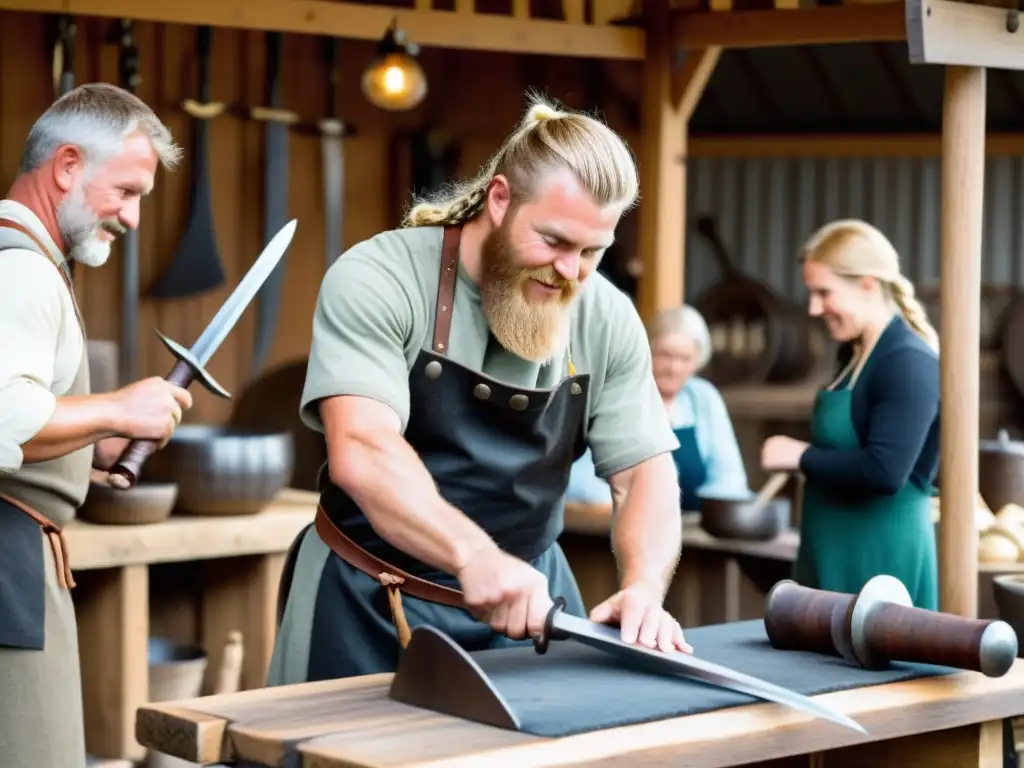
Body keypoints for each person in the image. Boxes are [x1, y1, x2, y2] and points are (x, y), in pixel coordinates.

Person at [269, 95, 688, 686]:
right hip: (367, 604)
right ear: (499, 200)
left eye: (592, 252)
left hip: (533, 615)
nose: (570, 271)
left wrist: (644, 587)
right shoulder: (379, 278)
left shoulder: (606, 317)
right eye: (554, 241)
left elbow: (644, 472)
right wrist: (476, 557)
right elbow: (362, 447)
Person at [0, 83, 193, 768]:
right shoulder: (20, 272)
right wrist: (116, 409)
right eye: (128, 191)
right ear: (68, 166)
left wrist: (91, 444)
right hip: (8, 566)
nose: (134, 218)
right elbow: (6, 419)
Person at [760, 219, 939, 610]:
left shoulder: (907, 361)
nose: (813, 307)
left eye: (824, 293)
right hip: (829, 555)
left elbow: (885, 470)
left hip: (879, 565)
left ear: (867, 285)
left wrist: (799, 456)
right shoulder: (853, 354)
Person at [565, 304, 749, 509]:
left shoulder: (703, 397)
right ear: (645, 350)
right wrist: (628, 508)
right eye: (665, 355)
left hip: (694, 534)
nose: (674, 368)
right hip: (624, 530)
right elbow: (576, 477)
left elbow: (729, 478)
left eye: (685, 358)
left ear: (698, 361)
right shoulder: (615, 395)